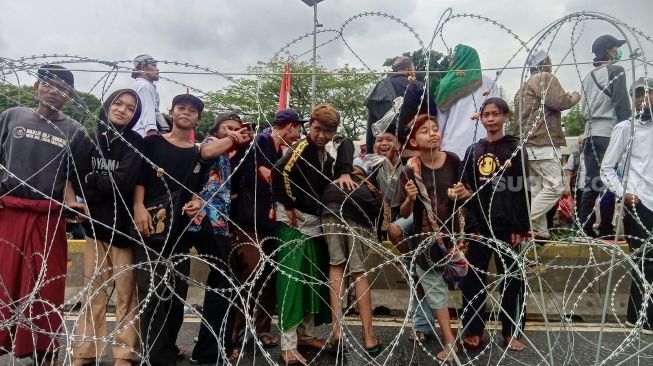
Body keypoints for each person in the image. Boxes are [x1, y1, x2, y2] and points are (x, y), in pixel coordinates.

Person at [0, 65, 86, 364]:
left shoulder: (74, 130)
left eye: (62, 88)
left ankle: (42, 350)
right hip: (8, 211)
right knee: (4, 283)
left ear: (70, 96)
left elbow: (71, 177)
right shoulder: (12, 116)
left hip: (48, 218)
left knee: (45, 286)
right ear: (37, 86)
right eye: (49, 84)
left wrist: (73, 202)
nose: (54, 90)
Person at [132, 94, 215, 365]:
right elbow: (140, 178)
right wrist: (139, 206)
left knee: (176, 297)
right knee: (153, 295)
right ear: (171, 112)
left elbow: (196, 189)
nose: (186, 113)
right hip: (151, 230)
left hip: (180, 234)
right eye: (181, 108)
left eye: (192, 111)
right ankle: (155, 356)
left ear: (198, 119)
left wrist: (196, 201)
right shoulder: (153, 144)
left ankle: (166, 349)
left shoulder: (197, 154)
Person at [271, 103, 355, 365]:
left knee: (311, 279)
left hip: (315, 221)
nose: (321, 135)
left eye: (328, 131)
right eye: (318, 129)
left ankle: (305, 335)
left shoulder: (324, 153)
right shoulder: (301, 148)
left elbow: (344, 152)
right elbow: (279, 172)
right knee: (292, 282)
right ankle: (288, 344)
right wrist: (288, 205)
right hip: (294, 222)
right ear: (310, 125)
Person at [71, 89, 143, 366]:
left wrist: (93, 181)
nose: (122, 109)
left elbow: (124, 183)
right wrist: (96, 183)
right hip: (93, 228)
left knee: (126, 296)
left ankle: (124, 354)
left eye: (130, 107)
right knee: (94, 293)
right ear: (108, 105)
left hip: (123, 230)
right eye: (118, 103)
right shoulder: (87, 138)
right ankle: (85, 351)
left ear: (135, 114)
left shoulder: (135, 143)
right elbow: (76, 178)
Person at [392, 114, 468, 362]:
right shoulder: (409, 169)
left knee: (457, 283)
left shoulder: (454, 161)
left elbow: (468, 193)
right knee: (437, 293)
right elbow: (402, 213)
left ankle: (470, 332)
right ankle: (450, 341)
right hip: (425, 238)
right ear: (414, 140)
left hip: (454, 234)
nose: (433, 133)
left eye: (435, 129)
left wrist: (461, 193)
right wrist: (410, 199)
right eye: (425, 131)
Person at [229, 108, 304, 350]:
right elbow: (267, 175)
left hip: (273, 221)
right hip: (252, 220)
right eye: (298, 127)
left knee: (270, 276)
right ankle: (235, 332)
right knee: (252, 273)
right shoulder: (261, 142)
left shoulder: (282, 148)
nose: (299, 133)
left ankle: (261, 329)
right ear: (290, 125)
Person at [459, 97, 529, 352]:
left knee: (511, 279)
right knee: (473, 280)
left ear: (504, 116)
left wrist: (520, 227)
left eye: (495, 114)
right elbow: (466, 190)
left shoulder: (515, 148)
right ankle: (474, 330)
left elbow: (522, 191)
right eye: (486, 114)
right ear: (480, 117)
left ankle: (511, 331)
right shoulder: (473, 151)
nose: (490, 119)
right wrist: (472, 226)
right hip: (479, 226)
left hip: (507, 226)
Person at [188, 112, 251, 364]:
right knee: (224, 280)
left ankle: (212, 347)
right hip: (204, 221)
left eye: (237, 128)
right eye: (228, 127)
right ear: (216, 129)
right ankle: (209, 352)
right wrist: (233, 139)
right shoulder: (209, 144)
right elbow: (207, 153)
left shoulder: (226, 156)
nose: (233, 132)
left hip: (219, 223)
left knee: (224, 282)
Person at [601, 77, 653, 334]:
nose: (643, 98)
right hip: (639, 202)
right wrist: (624, 193)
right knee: (645, 262)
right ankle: (640, 317)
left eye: (648, 93)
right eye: (638, 95)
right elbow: (607, 168)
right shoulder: (625, 128)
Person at [321, 150, 383, 356]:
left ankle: (337, 333)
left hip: (329, 206)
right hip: (358, 211)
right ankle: (368, 337)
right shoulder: (365, 183)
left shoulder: (334, 176)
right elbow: (378, 212)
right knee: (358, 271)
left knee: (336, 264)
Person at [514, 49, 580, 239]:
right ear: (545, 62)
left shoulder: (523, 86)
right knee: (556, 187)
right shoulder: (544, 77)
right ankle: (524, 223)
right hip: (541, 143)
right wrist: (575, 96)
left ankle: (539, 230)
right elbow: (560, 101)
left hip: (528, 145)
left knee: (538, 189)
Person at [578, 34, 632, 238]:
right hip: (610, 133)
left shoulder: (587, 77)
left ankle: (584, 227)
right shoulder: (616, 70)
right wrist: (628, 132)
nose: (618, 51)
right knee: (611, 180)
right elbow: (622, 105)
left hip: (591, 133)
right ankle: (606, 228)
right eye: (616, 48)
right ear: (610, 51)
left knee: (592, 182)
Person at [436, 44, 498, 159]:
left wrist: (437, 147)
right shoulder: (489, 83)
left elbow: (440, 121)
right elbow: (497, 114)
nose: (451, 63)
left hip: (453, 147)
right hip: (484, 145)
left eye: (453, 59)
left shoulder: (445, 85)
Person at [365, 56, 436, 148]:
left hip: (385, 145)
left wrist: (370, 149)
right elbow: (433, 113)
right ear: (409, 68)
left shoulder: (381, 85)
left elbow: (372, 119)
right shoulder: (418, 86)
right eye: (413, 67)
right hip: (412, 143)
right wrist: (417, 119)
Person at [130, 54, 170, 137]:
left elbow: (155, 112)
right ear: (143, 67)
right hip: (143, 134)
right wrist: (152, 134)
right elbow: (148, 112)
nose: (157, 69)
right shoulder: (144, 86)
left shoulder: (141, 85)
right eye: (153, 65)